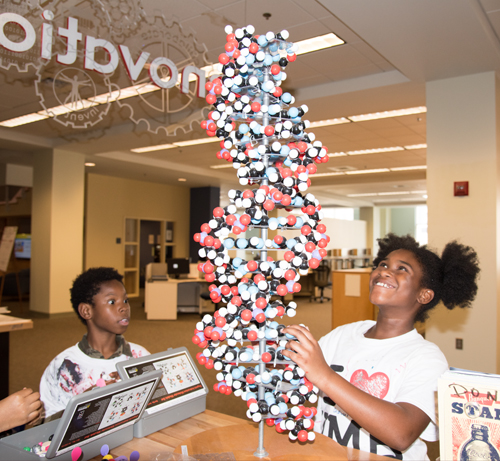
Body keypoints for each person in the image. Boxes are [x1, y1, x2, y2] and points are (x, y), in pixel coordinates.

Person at [283, 234, 480, 460]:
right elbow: (294, 383)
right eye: (383, 264)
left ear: (424, 295)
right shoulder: (343, 334)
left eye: (402, 269)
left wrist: (324, 375)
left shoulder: (427, 358)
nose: (384, 271)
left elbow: (402, 433)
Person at [40, 267, 149, 419]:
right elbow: (48, 425)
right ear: (86, 311)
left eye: (125, 300)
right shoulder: (63, 367)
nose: (124, 307)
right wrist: (82, 404)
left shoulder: (141, 356)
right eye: (112, 301)